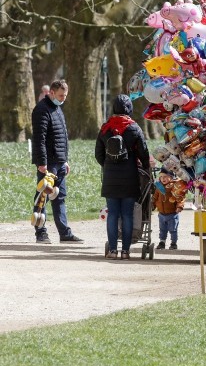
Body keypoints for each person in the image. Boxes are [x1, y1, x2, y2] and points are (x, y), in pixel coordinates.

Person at [95, 94, 151, 259]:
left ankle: (112, 249)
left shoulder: (105, 128)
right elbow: (144, 153)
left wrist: (107, 165)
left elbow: (98, 154)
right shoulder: (134, 128)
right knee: (127, 214)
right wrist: (145, 166)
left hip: (110, 178)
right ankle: (125, 251)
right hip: (130, 177)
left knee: (113, 214)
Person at [30, 79, 83, 244]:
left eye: (65, 96)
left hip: (59, 162)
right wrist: (42, 163)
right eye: (60, 95)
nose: (63, 99)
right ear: (51, 93)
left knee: (59, 197)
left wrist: (65, 160)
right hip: (48, 163)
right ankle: (41, 233)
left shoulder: (58, 108)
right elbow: (39, 139)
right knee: (42, 197)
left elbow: (63, 137)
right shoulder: (41, 110)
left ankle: (64, 233)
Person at [153, 170, 184, 250]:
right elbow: (155, 197)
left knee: (173, 229)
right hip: (161, 214)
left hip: (172, 213)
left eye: (165, 177)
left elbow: (179, 198)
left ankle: (173, 243)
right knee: (162, 229)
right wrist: (152, 204)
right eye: (161, 177)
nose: (163, 178)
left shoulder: (174, 186)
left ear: (170, 177)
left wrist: (179, 206)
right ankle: (162, 242)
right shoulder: (159, 186)